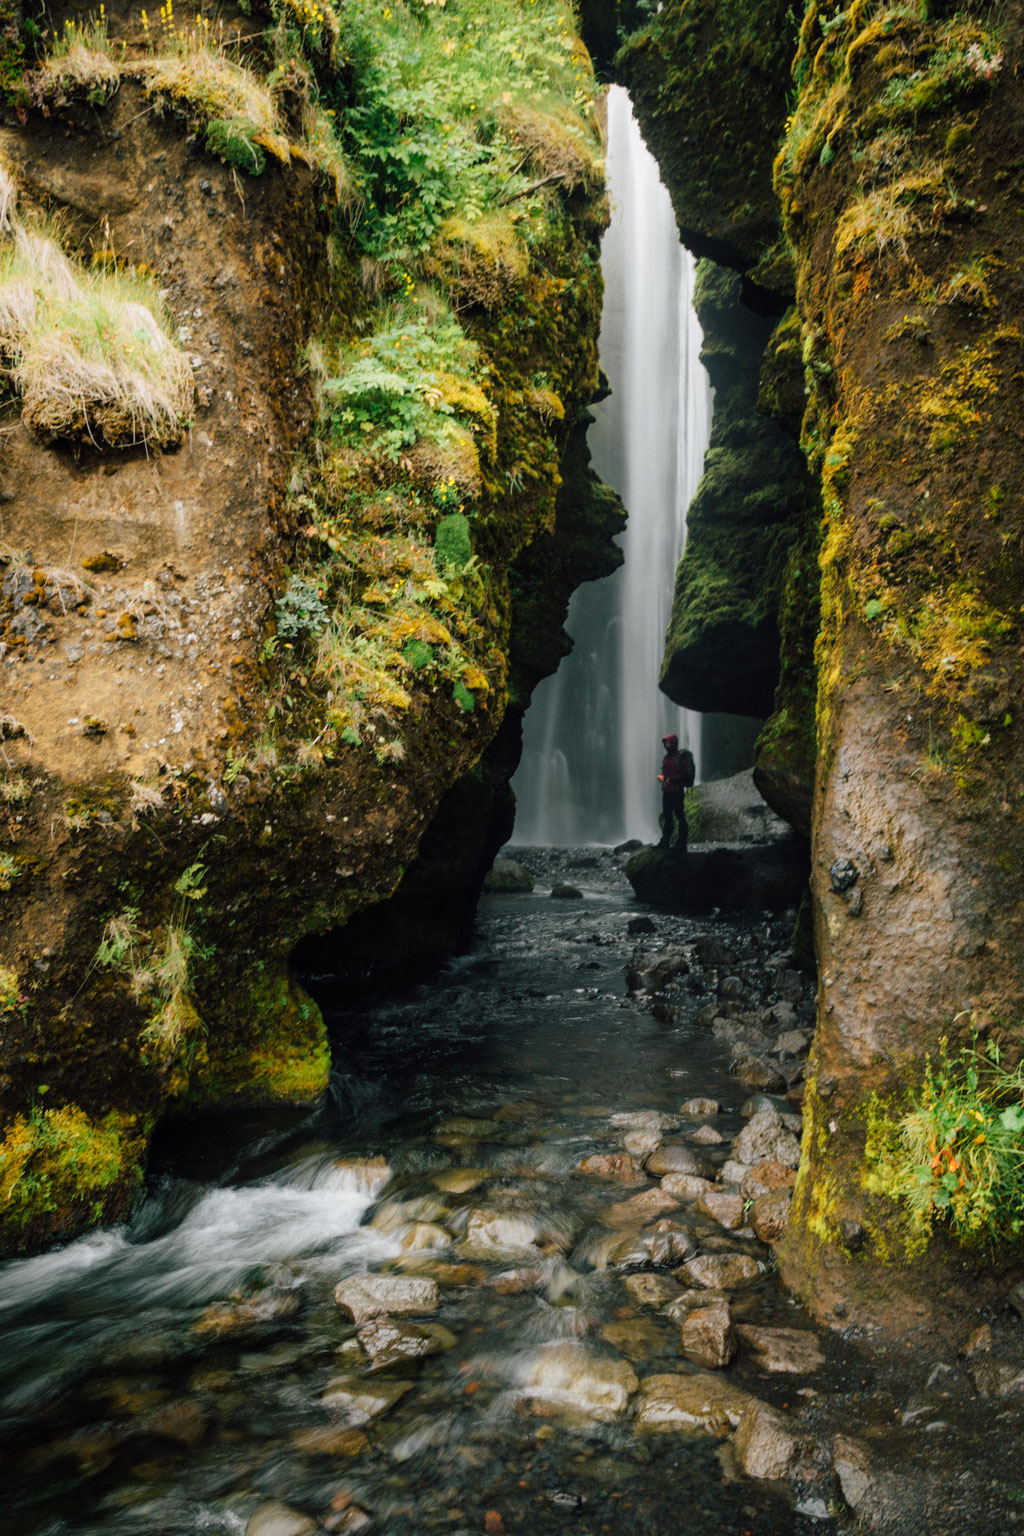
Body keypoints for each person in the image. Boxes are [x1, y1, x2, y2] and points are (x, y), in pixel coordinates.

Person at [657, 732, 691, 851]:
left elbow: (685, 774)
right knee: (667, 816)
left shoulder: (681, 757)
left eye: (668, 743)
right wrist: (662, 777)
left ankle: (682, 842)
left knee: (680, 816)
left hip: (677, 791)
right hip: (667, 791)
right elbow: (666, 774)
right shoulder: (666, 757)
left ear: (673, 744)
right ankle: (665, 841)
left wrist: (671, 779)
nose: (666, 745)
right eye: (665, 743)